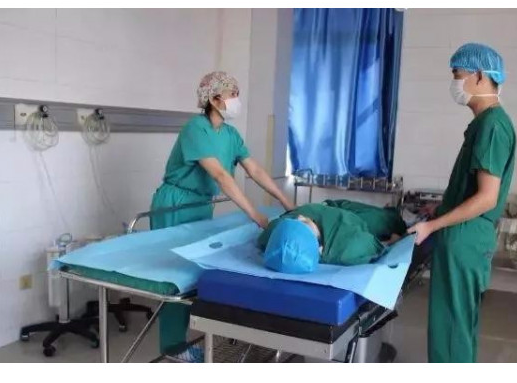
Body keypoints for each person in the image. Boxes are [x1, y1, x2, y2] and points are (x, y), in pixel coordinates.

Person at [150, 71, 294, 362]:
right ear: (214, 100)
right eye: (232, 94)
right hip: (175, 203)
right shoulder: (196, 128)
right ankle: (173, 347)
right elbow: (219, 174)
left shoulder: (230, 135)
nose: (237, 100)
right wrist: (255, 214)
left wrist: (285, 201)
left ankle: (190, 334)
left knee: (196, 271)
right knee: (176, 277)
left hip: (200, 204)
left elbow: (254, 170)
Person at [407, 43, 516, 363]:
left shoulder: (493, 126)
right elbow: (470, 190)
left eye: (457, 74)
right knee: (457, 325)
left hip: (465, 240)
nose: (454, 82)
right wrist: (440, 209)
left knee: (452, 329)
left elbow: (486, 198)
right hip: (463, 237)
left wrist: (432, 225)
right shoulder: (484, 124)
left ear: (479, 76)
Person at [258, 199, 406, 271]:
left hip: (328, 207)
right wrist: (391, 242)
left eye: (295, 222)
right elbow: (379, 248)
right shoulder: (347, 248)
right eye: (303, 224)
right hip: (352, 222)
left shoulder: (274, 233)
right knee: (387, 221)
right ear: (319, 249)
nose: (300, 218)